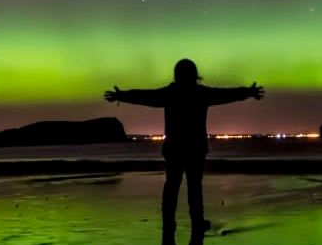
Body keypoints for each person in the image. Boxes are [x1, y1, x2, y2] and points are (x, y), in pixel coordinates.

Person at [104, 59, 264, 231]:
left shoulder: (171, 93)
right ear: (195, 75)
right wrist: (248, 92)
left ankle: (168, 222)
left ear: (176, 75)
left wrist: (121, 96)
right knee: (194, 186)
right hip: (195, 148)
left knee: (172, 185)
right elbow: (225, 95)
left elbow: (145, 96)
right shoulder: (200, 93)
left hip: (174, 148)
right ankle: (197, 222)